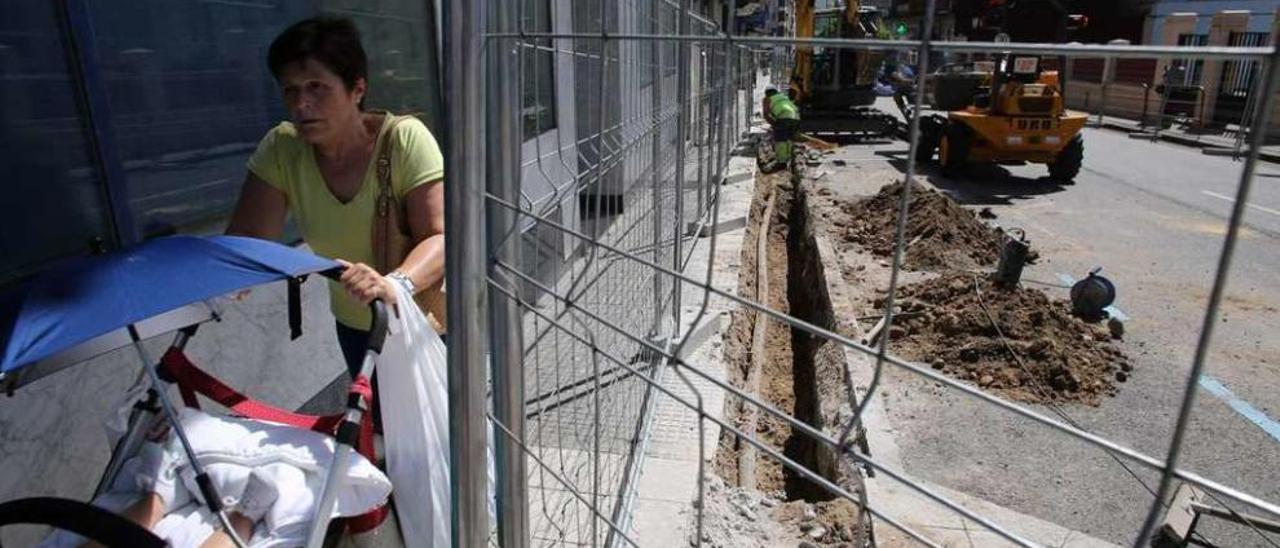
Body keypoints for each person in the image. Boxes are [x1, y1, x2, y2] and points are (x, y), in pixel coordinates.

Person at [226, 17, 445, 375]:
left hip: (420, 319)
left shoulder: (405, 140)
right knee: (375, 428)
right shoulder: (283, 149)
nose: (302, 104)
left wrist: (395, 284)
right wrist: (220, 279)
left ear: (357, 89)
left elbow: (439, 236)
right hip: (356, 325)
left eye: (317, 87)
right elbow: (248, 241)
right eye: (290, 90)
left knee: (439, 429)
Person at [761, 88, 801, 173]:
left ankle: (782, 162)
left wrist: (774, 124)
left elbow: (766, 114)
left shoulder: (767, 99)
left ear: (767, 94)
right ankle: (788, 158)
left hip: (783, 117)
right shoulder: (783, 97)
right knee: (789, 139)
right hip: (796, 117)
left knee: (780, 140)